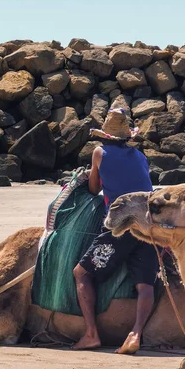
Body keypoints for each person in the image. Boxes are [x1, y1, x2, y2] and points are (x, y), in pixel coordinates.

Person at [72, 108, 158, 353]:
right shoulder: (140, 155)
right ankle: (135, 334)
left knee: (81, 274)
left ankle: (90, 334)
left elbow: (93, 187)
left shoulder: (99, 152)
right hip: (149, 222)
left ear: (105, 136)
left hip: (122, 224)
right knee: (145, 285)